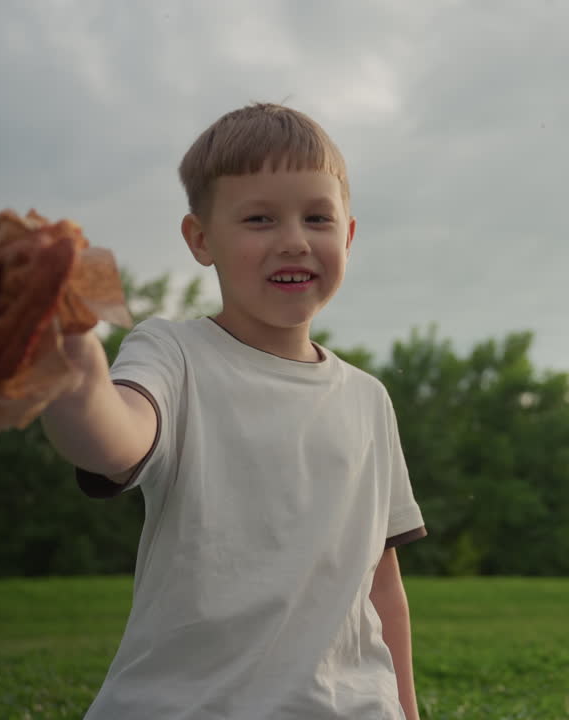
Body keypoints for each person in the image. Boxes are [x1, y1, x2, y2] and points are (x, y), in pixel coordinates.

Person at [40, 103, 426, 719]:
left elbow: (382, 585)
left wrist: (406, 712)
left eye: (317, 217)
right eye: (260, 218)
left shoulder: (368, 398)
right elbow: (112, 439)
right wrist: (73, 369)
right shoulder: (173, 352)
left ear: (348, 235)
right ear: (201, 239)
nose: (294, 240)